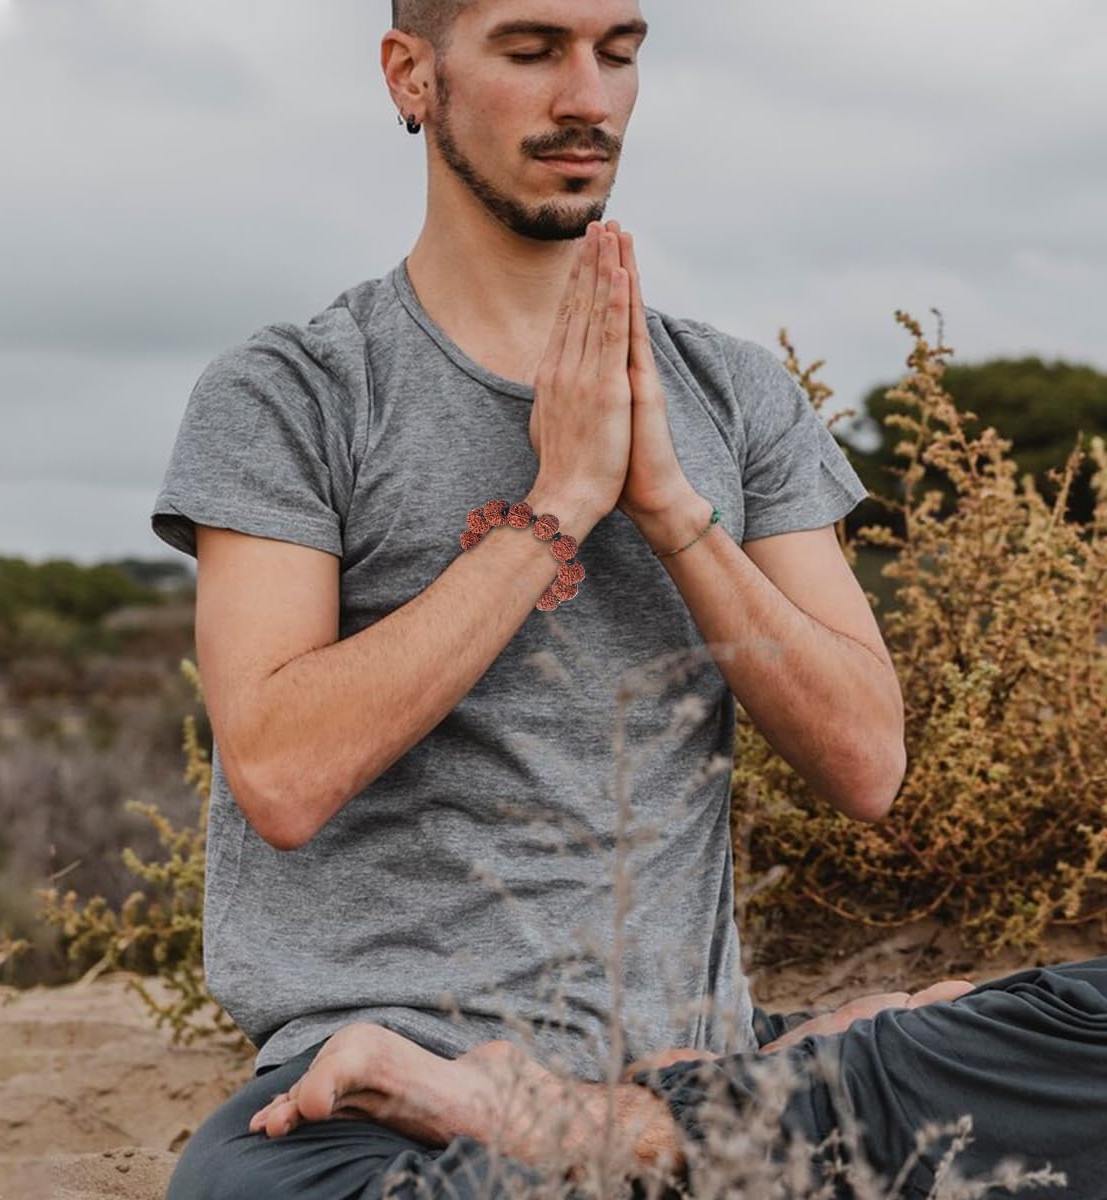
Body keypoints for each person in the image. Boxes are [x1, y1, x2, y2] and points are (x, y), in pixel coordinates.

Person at [148, 1, 997, 1196]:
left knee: (1085, 1029)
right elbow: (281, 772)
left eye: (619, 52)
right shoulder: (292, 392)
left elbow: (868, 763)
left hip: (695, 1082)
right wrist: (556, 507)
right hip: (400, 1100)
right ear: (412, 76)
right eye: (532, 49)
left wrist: (671, 508)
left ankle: (695, 1112)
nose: (589, 99)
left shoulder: (734, 392)